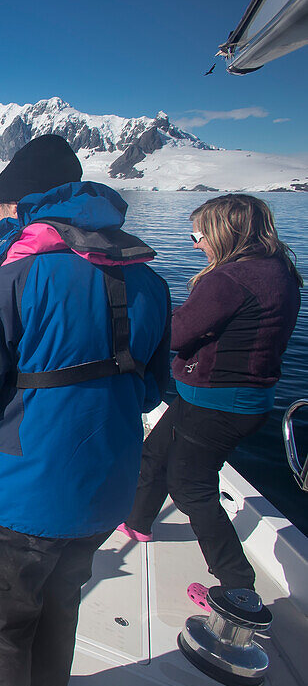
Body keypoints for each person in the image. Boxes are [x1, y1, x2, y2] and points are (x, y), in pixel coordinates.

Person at [0, 134, 172, 686]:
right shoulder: (151, 281)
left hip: (23, 499)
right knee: (60, 618)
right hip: (105, 494)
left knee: (0, 635)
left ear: (25, 204)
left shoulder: (12, 280)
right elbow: (148, 394)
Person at [118, 194, 302, 606]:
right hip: (238, 398)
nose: (196, 244)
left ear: (223, 232)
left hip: (218, 402)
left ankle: (238, 588)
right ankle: (137, 522)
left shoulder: (231, 278)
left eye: (198, 235)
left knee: (191, 486)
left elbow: (180, 334)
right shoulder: (279, 270)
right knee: (154, 454)